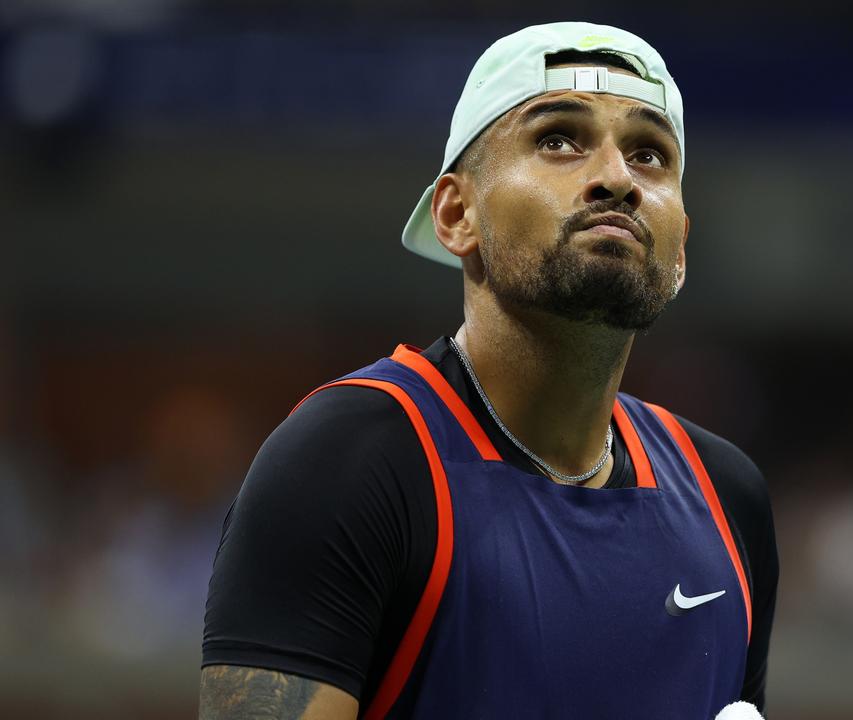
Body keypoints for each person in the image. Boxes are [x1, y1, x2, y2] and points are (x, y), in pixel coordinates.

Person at [200, 21, 778, 720]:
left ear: (679, 248)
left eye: (650, 154)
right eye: (558, 139)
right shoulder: (349, 463)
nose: (617, 178)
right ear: (456, 212)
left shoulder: (727, 496)